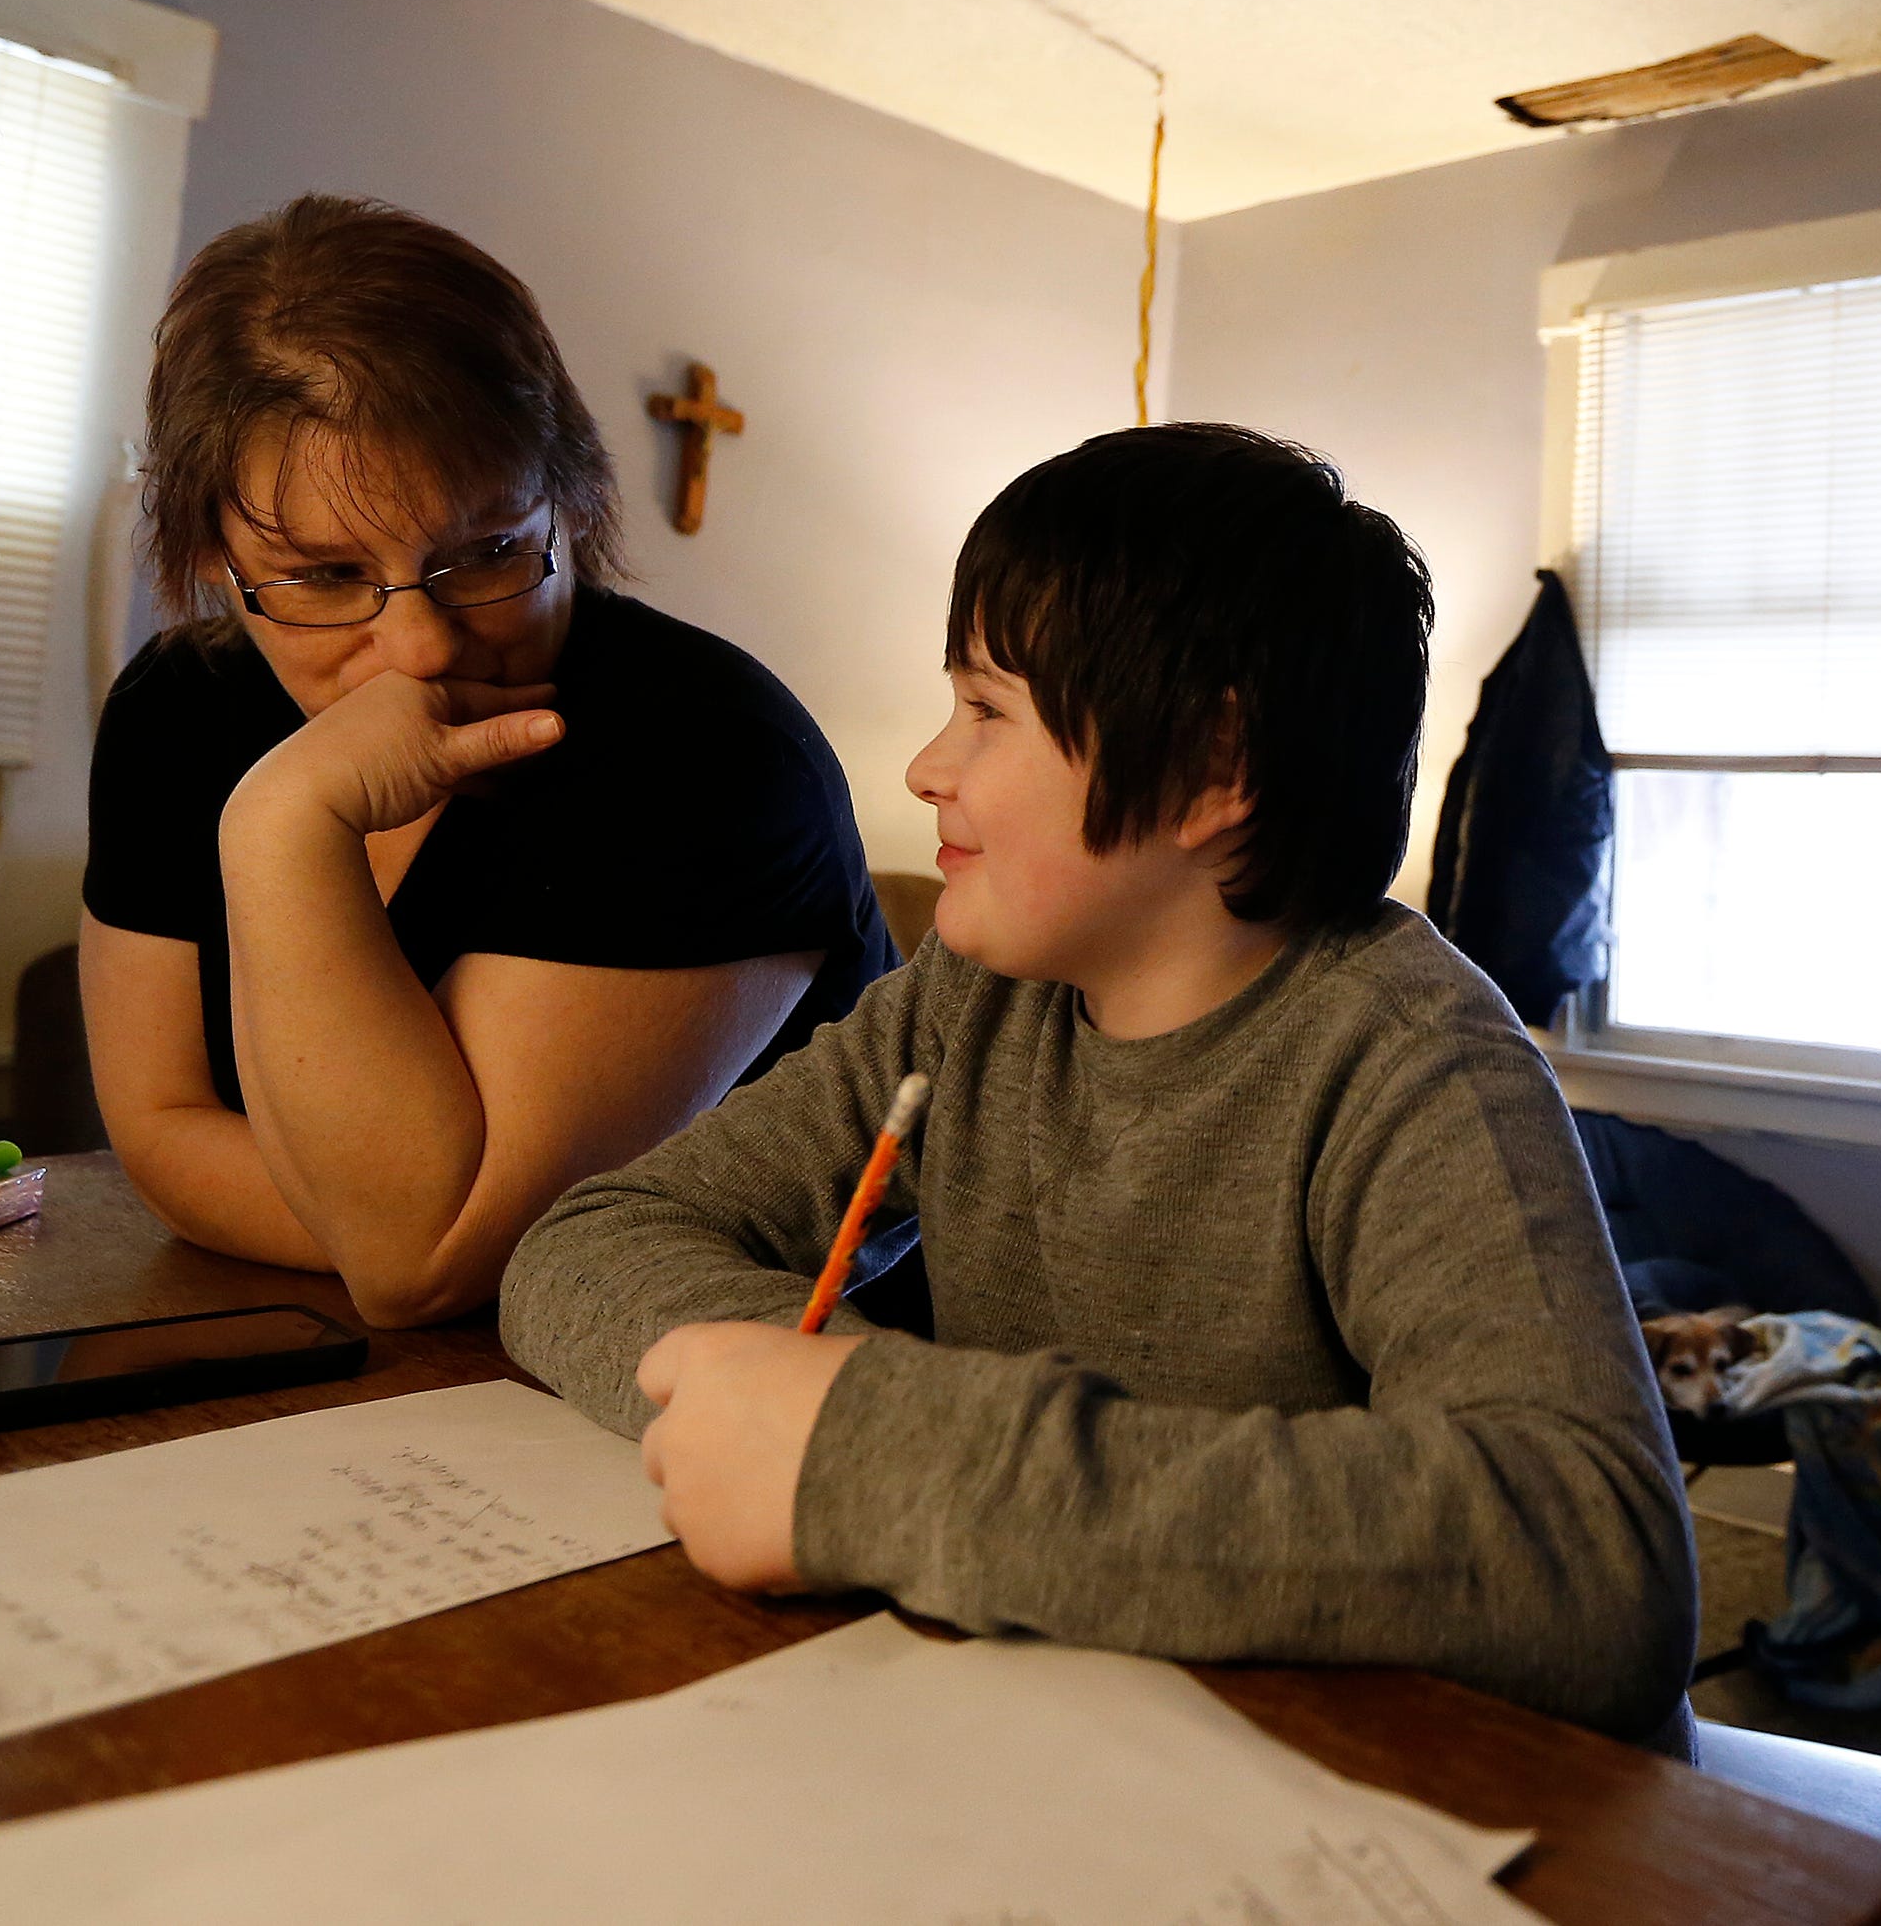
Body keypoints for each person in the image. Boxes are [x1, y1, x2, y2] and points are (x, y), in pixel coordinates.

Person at [499, 424, 1697, 1741]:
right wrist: (807, 1410)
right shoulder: (975, 1002)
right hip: (1044, 1740)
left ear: (1209, 769)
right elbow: (588, 1243)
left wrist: (888, 1453)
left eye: (988, 710)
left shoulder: (1411, 1064)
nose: (926, 768)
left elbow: (1598, 1565)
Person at [81, 195, 895, 1328]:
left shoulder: (710, 753)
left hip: (782, 1375)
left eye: (491, 551)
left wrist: (283, 820)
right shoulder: (181, 708)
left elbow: (424, 1256)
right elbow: (163, 1131)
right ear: (213, 555)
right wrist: (375, 1214)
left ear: (567, 497)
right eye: (322, 576)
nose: (422, 644)